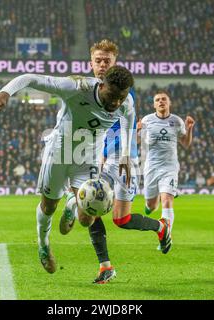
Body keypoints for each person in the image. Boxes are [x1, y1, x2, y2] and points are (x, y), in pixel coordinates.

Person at [0, 65, 135, 274]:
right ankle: (43, 245)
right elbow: (30, 78)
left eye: (121, 98)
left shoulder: (125, 103)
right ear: (102, 85)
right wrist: (5, 93)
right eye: (112, 96)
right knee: (49, 207)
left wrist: (124, 153)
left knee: (87, 218)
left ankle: (71, 204)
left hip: (87, 159)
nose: (116, 103)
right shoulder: (76, 87)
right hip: (59, 154)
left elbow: (128, 120)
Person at [59, 39, 140, 284]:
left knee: (115, 216)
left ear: (115, 63)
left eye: (108, 61)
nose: (103, 65)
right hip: (94, 155)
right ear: (91, 63)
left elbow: (124, 125)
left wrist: (120, 154)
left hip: (116, 157)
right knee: (94, 206)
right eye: (99, 60)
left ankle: (72, 202)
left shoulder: (121, 89)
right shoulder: (82, 88)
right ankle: (106, 265)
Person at [140, 91, 195, 252]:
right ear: (154, 105)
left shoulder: (177, 121)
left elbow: (185, 143)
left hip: (170, 167)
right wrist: (136, 130)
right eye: (157, 100)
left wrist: (189, 128)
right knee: (151, 205)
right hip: (151, 167)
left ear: (169, 103)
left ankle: (165, 238)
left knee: (167, 201)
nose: (161, 101)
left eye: (164, 99)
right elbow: (137, 141)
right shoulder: (147, 120)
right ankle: (153, 201)